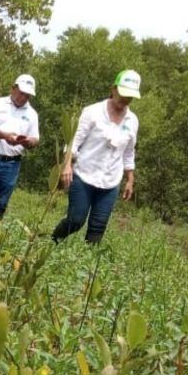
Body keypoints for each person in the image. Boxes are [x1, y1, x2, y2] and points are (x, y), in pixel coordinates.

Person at [52, 70, 141, 244]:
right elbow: (73, 141)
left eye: (130, 96)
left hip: (111, 181)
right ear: (113, 89)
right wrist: (67, 165)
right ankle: (52, 241)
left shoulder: (132, 120)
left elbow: (129, 152)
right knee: (75, 220)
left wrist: (130, 179)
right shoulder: (92, 112)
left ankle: (88, 260)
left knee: (98, 227)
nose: (125, 99)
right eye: (123, 93)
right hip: (84, 176)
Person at [0, 74, 40, 220]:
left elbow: (35, 140)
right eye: (22, 93)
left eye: (27, 95)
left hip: (12, 163)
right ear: (13, 88)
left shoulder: (32, 114)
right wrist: (5, 136)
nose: (23, 98)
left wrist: (27, 141)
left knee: (0, 204)